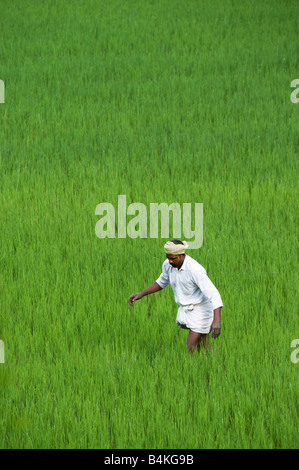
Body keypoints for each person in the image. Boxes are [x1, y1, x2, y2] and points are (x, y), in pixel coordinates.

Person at [127, 239, 223, 353]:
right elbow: (161, 282)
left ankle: (191, 367)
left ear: (182, 255)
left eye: (173, 258)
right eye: (168, 258)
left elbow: (213, 293)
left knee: (190, 346)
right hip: (187, 308)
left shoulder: (194, 269)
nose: (170, 261)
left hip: (201, 309)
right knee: (203, 346)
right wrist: (141, 294)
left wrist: (216, 320)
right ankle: (213, 363)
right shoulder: (168, 265)